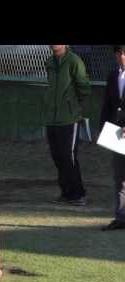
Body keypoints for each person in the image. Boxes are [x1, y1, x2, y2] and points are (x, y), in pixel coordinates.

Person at [43, 45, 92, 206]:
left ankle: (78, 194)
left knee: (68, 156)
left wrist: (73, 107)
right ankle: (66, 193)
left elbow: (84, 87)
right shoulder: (49, 62)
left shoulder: (74, 61)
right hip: (52, 118)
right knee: (57, 156)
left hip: (69, 119)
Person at [100, 45, 125, 231]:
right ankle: (121, 217)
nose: (122, 57)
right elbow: (107, 105)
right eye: (119, 53)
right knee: (119, 177)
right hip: (117, 134)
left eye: (124, 53)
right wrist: (102, 128)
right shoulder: (112, 76)